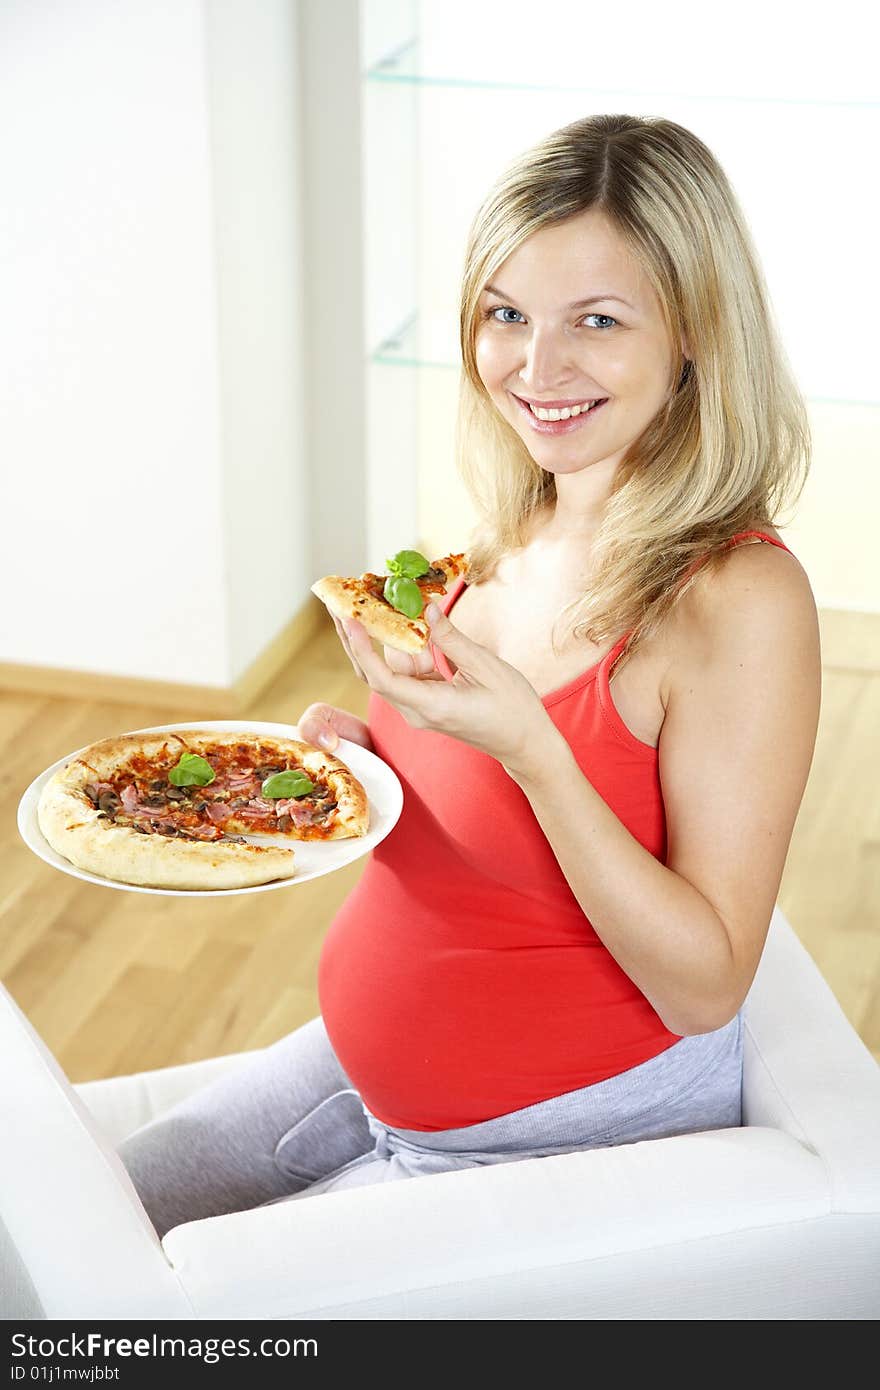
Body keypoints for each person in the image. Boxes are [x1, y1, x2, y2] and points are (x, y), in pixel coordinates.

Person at [119, 114, 821, 1239]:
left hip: (556, 1131)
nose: (536, 370)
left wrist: (532, 752)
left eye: (595, 320)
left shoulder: (737, 601)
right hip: (364, 1071)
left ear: (694, 328)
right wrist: (364, 769)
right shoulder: (514, 526)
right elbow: (483, 838)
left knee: (124, 1324)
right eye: (505, 315)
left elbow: (705, 986)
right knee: (64, 1236)